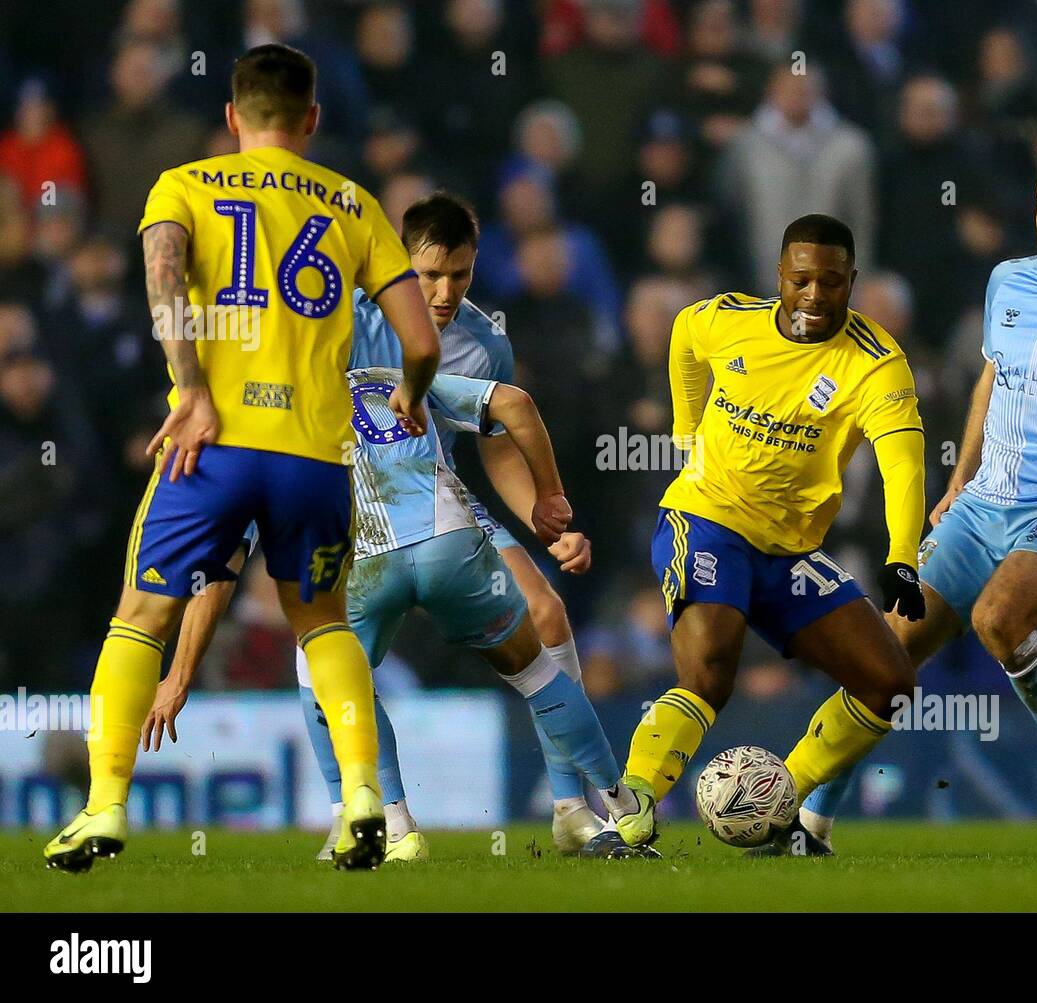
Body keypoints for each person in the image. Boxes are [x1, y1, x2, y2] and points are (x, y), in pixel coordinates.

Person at [44, 44, 442, 872]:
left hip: (211, 450)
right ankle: (365, 791)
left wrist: (190, 388)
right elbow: (422, 339)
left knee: (140, 615)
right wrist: (407, 394)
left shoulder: (184, 183)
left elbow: (161, 281)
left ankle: (106, 807)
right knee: (322, 622)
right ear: (312, 120)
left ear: (231, 118)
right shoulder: (353, 202)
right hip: (314, 457)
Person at [145, 192, 621, 858]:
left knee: (545, 609)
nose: (445, 290)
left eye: (459, 274)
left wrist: (544, 517)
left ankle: (573, 809)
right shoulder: (352, 320)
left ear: (476, 266)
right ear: (402, 265)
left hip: (437, 494)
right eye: (430, 275)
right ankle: (378, 813)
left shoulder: (485, 342)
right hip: (352, 509)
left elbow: (495, 441)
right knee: (344, 662)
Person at [798, 145, 1037, 856]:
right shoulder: (1007, 281)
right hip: (981, 506)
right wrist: (956, 483)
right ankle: (809, 823)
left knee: (998, 618)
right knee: (883, 655)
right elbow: (991, 382)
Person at [585, 212, 928, 858]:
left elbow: (903, 465)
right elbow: (684, 332)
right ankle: (626, 818)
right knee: (710, 668)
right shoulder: (729, 319)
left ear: (852, 281)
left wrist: (902, 556)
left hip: (789, 549)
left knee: (890, 681)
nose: (815, 295)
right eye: (802, 279)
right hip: (705, 518)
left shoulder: (877, 364)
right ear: (781, 276)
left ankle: (779, 805)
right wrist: (687, 432)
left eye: (832, 282)